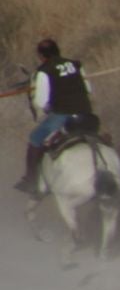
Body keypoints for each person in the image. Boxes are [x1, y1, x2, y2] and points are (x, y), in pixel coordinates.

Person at [14, 38, 97, 197]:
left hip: (62, 115)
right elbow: (88, 89)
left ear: (41, 56)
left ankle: (31, 181)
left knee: (34, 138)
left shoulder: (44, 70)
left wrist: (49, 107)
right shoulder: (75, 64)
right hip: (86, 114)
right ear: (58, 50)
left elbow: (41, 101)